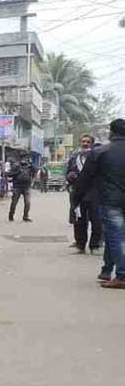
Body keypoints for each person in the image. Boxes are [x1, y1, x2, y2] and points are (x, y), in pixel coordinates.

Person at [75, 119, 125, 288]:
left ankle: (122, 276)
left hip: (111, 201)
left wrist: (75, 199)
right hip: (113, 200)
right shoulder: (99, 152)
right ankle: (107, 269)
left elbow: (84, 178)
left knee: (116, 237)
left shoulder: (100, 152)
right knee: (113, 236)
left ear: (111, 132)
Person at [68, 134, 102, 253]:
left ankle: (95, 245)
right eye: (83, 141)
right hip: (79, 194)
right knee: (79, 221)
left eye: (88, 142)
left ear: (92, 143)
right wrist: (70, 176)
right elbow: (69, 172)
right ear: (80, 143)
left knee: (96, 221)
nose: (85, 143)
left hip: (94, 193)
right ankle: (80, 245)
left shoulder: (98, 156)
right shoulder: (74, 157)